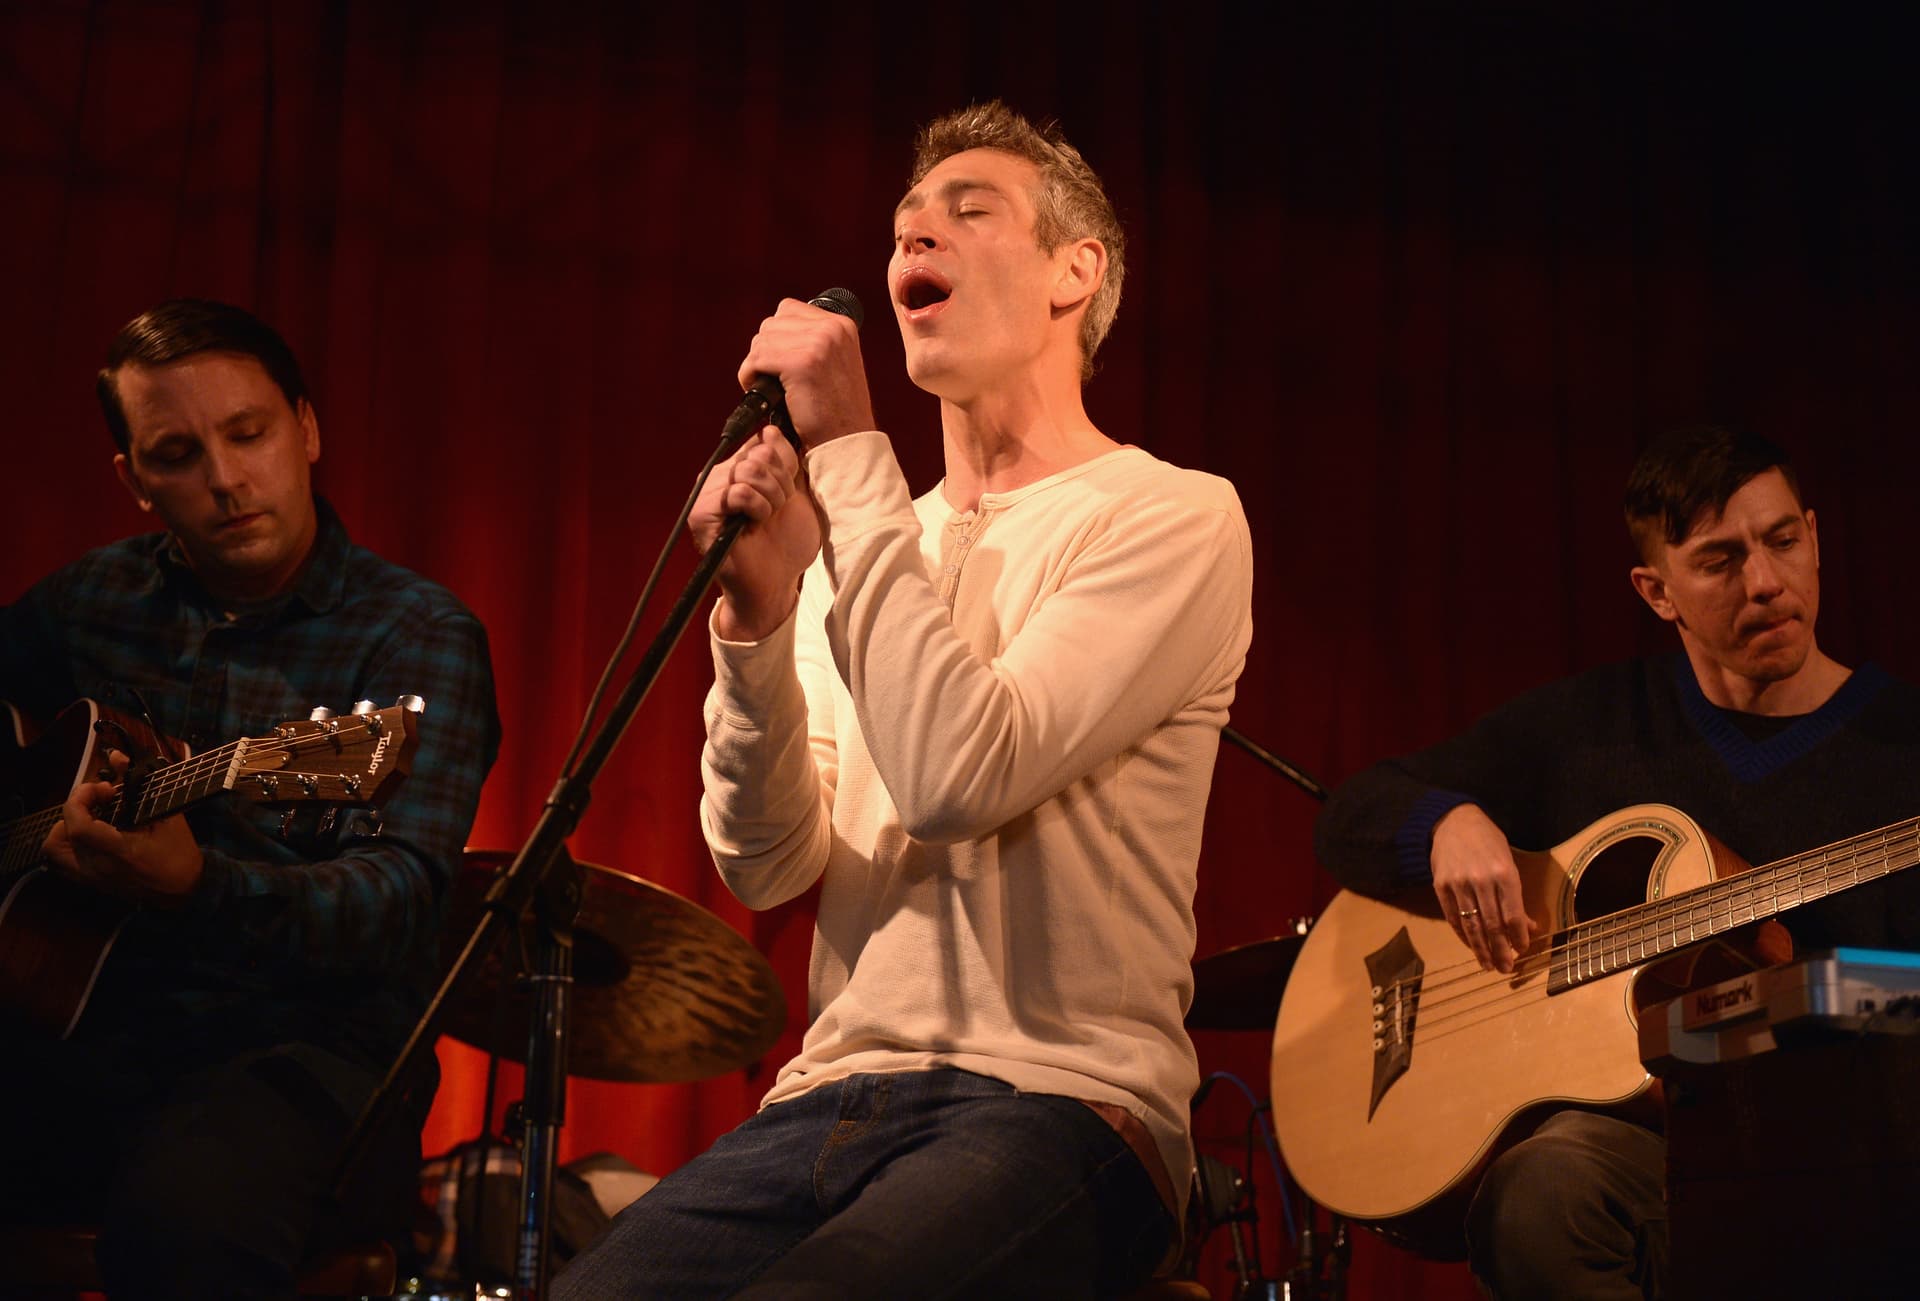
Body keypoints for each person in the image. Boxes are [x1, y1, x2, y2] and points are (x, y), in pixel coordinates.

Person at [555, 102, 1253, 1299]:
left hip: (1060, 1103)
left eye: (966, 213)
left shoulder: (1172, 514)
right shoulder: (879, 536)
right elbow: (769, 862)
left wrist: (851, 459)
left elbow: (953, 777)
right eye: (901, 227)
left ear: (1074, 273)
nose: (913, 238)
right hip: (830, 1094)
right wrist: (757, 625)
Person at [1312, 424, 1920, 1299]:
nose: (1765, 582)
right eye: (1719, 560)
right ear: (1657, 589)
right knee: (1537, 1196)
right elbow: (1350, 814)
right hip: (1652, 1147)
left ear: (1816, 538)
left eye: (1783, 541)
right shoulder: (1589, 727)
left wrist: (1816, 994)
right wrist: (1446, 824)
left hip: (1848, 1136)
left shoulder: (1903, 747)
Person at [0, 299, 500, 1298]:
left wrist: (201, 886)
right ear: (134, 478)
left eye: (249, 433)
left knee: (183, 1229)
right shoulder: (85, 605)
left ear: (305, 430)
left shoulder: (415, 635)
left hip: (304, 1049)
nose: (225, 480)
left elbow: (398, 901)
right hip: (78, 1025)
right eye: (178, 453)